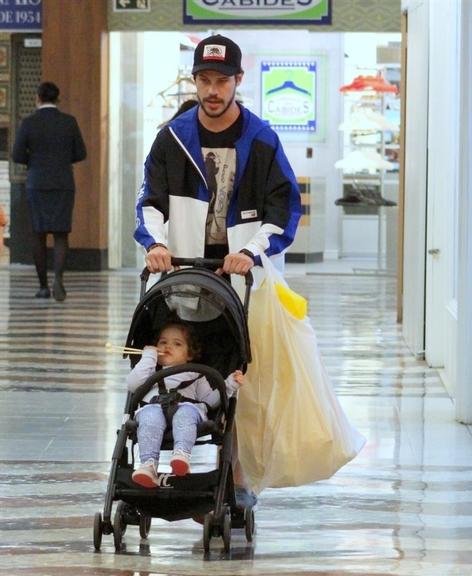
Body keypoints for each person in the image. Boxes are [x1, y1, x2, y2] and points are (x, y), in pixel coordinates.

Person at [133, 34, 302, 503]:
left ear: (237, 81)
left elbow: (284, 209)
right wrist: (157, 244)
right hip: (184, 271)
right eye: (204, 80)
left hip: (244, 275)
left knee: (245, 374)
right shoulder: (172, 138)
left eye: (221, 80)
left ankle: (241, 477)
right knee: (181, 360)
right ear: (195, 80)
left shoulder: (261, 140)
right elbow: (150, 201)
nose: (212, 90)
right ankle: (159, 447)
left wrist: (251, 251)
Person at [127, 321, 243, 487]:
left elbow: (210, 401)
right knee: (149, 415)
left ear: (189, 354)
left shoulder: (195, 375)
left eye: (177, 343)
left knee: (186, 412)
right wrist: (148, 356)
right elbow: (132, 384)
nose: (168, 346)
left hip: (187, 411)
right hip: (154, 410)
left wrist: (230, 385)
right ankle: (148, 465)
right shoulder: (149, 372)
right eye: (163, 342)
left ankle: (181, 454)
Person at [12, 81, 87, 301]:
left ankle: (43, 286)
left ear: (38, 98)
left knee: (38, 233)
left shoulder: (28, 123)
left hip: (37, 183)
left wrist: (34, 161)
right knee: (61, 233)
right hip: (63, 182)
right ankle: (59, 279)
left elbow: (17, 155)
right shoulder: (69, 122)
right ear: (57, 99)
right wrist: (63, 160)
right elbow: (80, 152)